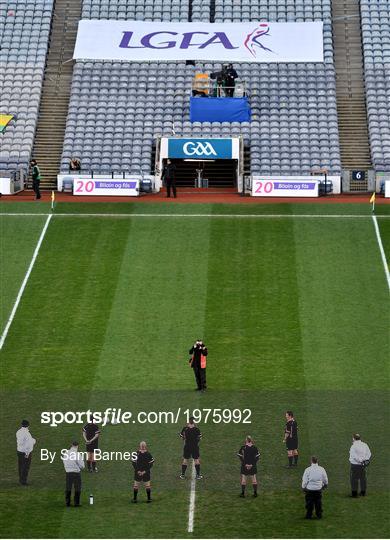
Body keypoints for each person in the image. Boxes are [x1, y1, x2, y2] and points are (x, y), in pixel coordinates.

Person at [62, 441, 85, 507]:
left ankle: (67, 502)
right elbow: (82, 466)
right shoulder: (77, 454)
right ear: (77, 446)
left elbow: (64, 461)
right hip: (76, 473)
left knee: (68, 487)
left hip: (68, 472)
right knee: (77, 488)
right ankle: (76, 503)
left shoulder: (66, 453)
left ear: (71, 445)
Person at [16, 419, 36, 485]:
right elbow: (29, 444)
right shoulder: (27, 434)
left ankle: (21, 479)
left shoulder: (18, 432)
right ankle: (23, 481)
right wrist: (27, 453)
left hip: (19, 451)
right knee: (26, 467)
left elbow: (21, 441)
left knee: (21, 466)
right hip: (25, 452)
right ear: (28, 425)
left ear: (22, 425)